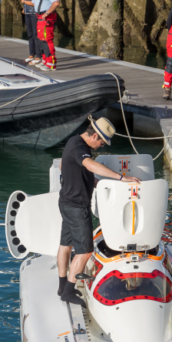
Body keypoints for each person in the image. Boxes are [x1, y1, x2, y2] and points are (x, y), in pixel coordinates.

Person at [56, 117, 136, 305]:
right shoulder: (81, 148)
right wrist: (121, 178)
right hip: (76, 206)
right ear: (94, 135)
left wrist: (92, 182)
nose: (100, 146)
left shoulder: (72, 142)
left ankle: (61, 285)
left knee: (65, 244)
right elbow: (89, 165)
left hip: (66, 202)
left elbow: (63, 166)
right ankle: (68, 291)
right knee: (85, 251)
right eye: (101, 141)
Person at [30, 0, 60, 71]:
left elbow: (56, 2)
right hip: (41, 18)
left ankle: (51, 64)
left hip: (46, 18)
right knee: (41, 39)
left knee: (47, 40)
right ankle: (45, 60)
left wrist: (47, 13)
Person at [18, 0, 39, 64]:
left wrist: (24, 2)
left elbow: (34, 2)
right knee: (30, 34)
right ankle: (32, 54)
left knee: (36, 35)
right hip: (27, 13)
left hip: (34, 14)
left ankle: (38, 56)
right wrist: (24, 7)